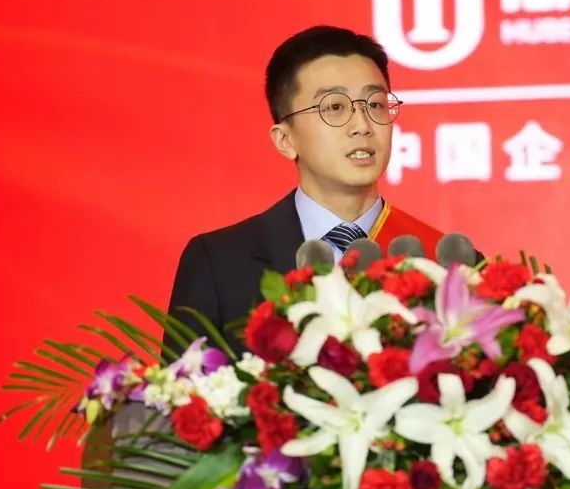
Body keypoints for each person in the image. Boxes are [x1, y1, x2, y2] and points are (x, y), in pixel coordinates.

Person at [166, 25, 447, 352]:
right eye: (335, 107)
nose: (362, 126)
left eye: (375, 104)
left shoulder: (445, 261)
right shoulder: (219, 264)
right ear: (285, 139)